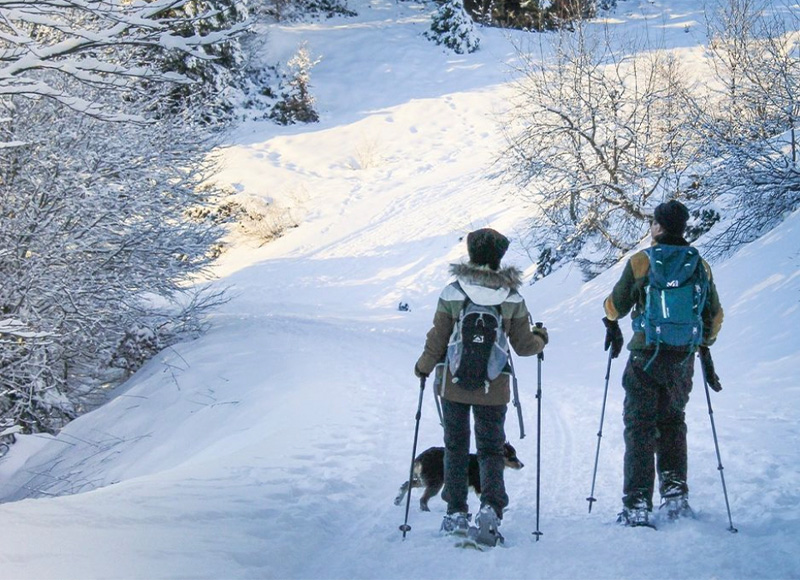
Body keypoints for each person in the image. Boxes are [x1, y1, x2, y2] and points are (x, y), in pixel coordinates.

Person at [414, 228, 548, 545]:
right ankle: (490, 509)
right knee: (490, 451)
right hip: (494, 387)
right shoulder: (512, 297)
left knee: (456, 449)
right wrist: (542, 337)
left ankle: (456, 513)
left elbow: (438, 339)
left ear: (471, 253)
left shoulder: (452, 292)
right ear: (500, 256)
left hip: (453, 384)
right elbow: (525, 346)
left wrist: (423, 366)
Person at [602, 199, 724, 527]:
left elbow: (616, 306)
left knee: (640, 427)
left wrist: (608, 314)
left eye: (653, 223)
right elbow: (714, 315)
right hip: (682, 358)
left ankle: (637, 504)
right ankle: (675, 496)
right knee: (672, 423)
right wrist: (703, 345)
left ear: (658, 226)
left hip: (645, 356)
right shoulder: (700, 264)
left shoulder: (642, 261)